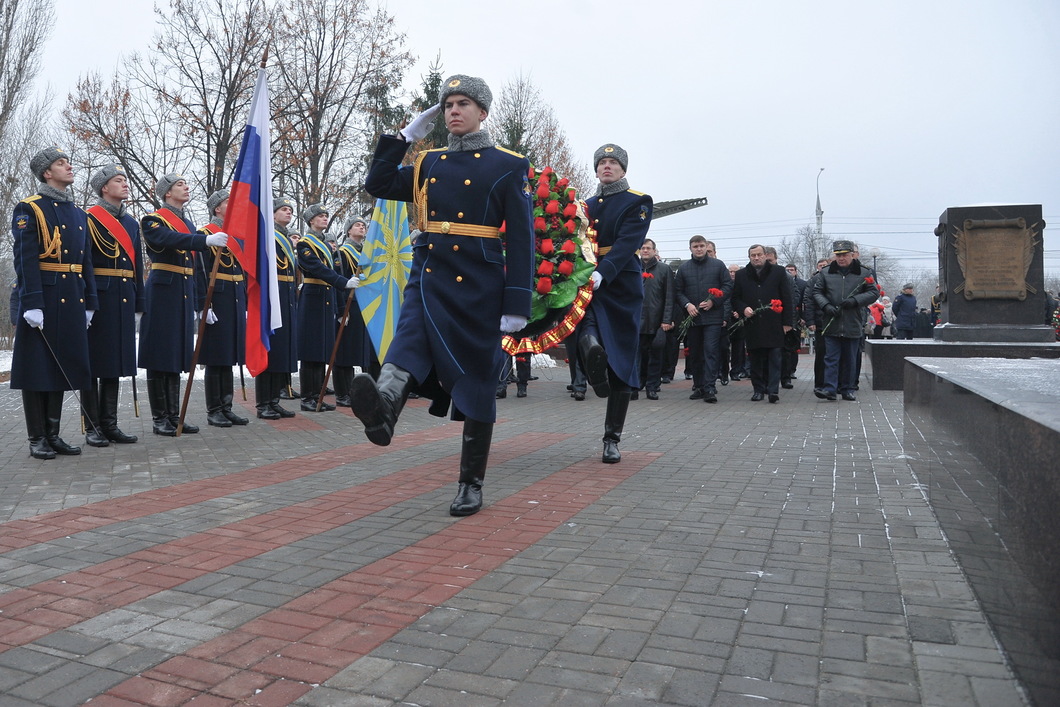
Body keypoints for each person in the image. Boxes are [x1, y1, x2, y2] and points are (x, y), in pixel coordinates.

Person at [352, 73, 534, 515]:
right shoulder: (429, 161)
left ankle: (471, 483)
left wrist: (516, 304)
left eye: (463, 104)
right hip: (430, 272)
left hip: (479, 283)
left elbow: (523, 239)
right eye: (449, 104)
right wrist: (403, 137)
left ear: (482, 112)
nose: (453, 110)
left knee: (476, 382)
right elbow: (377, 185)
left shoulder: (508, 163)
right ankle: (383, 412)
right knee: (408, 341)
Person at [10, 147, 98, 459]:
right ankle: (37, 438)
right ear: (47, 173)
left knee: (63, 367)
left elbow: (85, 261)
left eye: (68, 162)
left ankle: (53, 433)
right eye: (61, 164)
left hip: (72, 296)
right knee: (38, 369)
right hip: (43, 297)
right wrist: (31, 302)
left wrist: (90, 301)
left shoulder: (79, 214)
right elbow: (25, 258)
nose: (69, 166)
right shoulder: (29, 208)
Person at [577, 142, 653, 462]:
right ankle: (595, 371)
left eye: (613, 162)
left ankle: (612, 438)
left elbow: (626, 244)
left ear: (623, 169)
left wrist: (603, 273)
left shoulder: (638, 201)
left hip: (620, 284)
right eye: (601, 162)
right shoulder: (585, 204)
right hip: (586, 279)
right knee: (586, 330)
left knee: (622, 361)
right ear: (596, 169)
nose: (606, 166)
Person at [140, 174, 228, 435]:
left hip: (183, 291)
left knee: (177, 353)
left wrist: (202, 301)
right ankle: (159, 418)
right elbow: (168, 240)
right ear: (167, 193)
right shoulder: (153, 220)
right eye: (179, 185)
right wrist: (203, 241)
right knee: (160, 354)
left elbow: (197, 265)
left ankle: (173, 415)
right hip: (162, 289)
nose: (186, 187)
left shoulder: (188, 222)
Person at [82, 163, 144, 447]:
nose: (125, 184)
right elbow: (85, 265)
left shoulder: (131, 223)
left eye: (125, 180)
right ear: (104, 187)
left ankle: (110, 424)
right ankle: (93, 426)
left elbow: (138, 266)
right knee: (95, 363)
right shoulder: (89, 219)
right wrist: (88, 301)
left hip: (124, 296)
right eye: (119, 181)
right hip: (101, 296)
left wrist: (139, 301)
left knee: (115, 363)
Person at [296, 203, 357, 412]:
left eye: (326, 216)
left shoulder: (323, 244)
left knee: (321, 349)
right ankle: (307, 398)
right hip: (313, 298)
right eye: (320, 216)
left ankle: (317, 395)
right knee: (310, 350)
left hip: (326, 298)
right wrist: (342, 281)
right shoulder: (305, 244)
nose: (324, 219)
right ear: (311, 220)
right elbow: (316, 268)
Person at [197, 189, 249, 427]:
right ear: (217, 208)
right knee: (216, 355)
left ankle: (226, 407)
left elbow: (242, 272)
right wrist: (203, 306)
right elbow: (200, 273)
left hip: (235, 298)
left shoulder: (236, 236)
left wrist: (245, 303)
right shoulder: (206, 234)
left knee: (229, 355)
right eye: (228, 203)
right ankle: (214, 409)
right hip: (217, 299)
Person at [811, 240, 879, 401]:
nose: (841, 258)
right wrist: (826, 306)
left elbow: (874, 293)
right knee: (830, 357)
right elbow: (817, 292)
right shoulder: (826, 273)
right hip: (831, 320)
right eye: (838, 255)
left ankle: (847, 389)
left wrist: (855, 301)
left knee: (850, 358)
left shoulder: (863, 273)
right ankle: (830, 389)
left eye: (845, 255)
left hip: (852, 320)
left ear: (852, 255)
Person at [255, 196, 300, 420]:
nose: (288, 213)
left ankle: (274, 400)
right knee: (270, 349)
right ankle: (263, 402)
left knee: (281, 350)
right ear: (272, 214)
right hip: (272, 298)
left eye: (290, 210)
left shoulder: (283, 238)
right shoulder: (267, 235)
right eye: (283, 209)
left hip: (286, 296)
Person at [732, 244, 793, 403]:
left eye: (759, 254)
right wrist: (743, 308)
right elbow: (735, 298)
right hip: (753, 324)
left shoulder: (778, 272)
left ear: (765, 255)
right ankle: (758, 389)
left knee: (774, 358)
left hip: (774, 322)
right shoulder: (741, 274)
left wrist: (787, 322)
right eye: (753, 255)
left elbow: (787, 297)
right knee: (756, 359)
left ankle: (773, 391)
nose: (756, 258)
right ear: (749, 257)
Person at [674, 235, 730, 403]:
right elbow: (677, 291)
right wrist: (687, 305)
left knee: (710, 352)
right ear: (690, 248)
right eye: (695, 246)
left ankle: (710, 387)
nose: (699, 249)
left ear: (707, 247)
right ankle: (698, 386)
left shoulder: (718, 265)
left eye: (701, 246)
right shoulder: (684, 268)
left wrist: (714, 301)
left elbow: (727, 286)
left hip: (713, 317)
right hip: (693, 318)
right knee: (695, 353)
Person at [333, 214, 376, 406]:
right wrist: (342, 310)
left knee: (356, 350)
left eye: (363, 225)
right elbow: (339, 279)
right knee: (345, 351)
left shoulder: (365, 253)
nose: (361, 227)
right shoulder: (343, 252)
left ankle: (352, 391)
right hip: (349, 304)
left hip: (363, 305)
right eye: (357, 225)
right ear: (349, 230)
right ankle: (343, 393)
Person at [636, 239, 673, 400]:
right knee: (638, 356)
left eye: (648, 248)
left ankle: (652, 386)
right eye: (643, 248)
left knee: (656, 356)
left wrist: (666, 320)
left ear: (654, 251)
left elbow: (669, 296)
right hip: (636, 321)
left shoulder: (664, 269)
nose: (645, 251)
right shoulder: (633, 267)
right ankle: (636, 384)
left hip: (657, 322)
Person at [781, 263, 807, 388]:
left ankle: (790, 372)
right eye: (788, 269)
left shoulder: (802, 284)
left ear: (796, 271)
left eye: (792, 270)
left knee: (791, 348)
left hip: (794, 317)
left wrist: (803, 317)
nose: (789, 271)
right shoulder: (780, 278)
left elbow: (801, 300)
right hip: (779, 316)